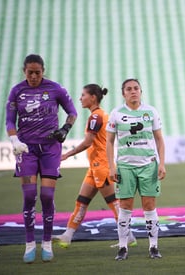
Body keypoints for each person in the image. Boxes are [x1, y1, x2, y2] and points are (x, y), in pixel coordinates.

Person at [5, 54, 77, 263]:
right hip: (26, 149)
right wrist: (14, 140)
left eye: (38, 72)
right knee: (28, 196)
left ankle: (46, 243)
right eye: (30, 72)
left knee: (46, 196)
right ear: (24, 71)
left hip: (50, 149)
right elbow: (9, 120)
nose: (34, 76)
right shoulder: (17, 91)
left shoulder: (56, 88)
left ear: (43, 71)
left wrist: (65, 128)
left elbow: (72, 112)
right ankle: (29, 244)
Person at [52, 84, 136, 248]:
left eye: (83, 95)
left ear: (93, 97)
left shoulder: (96, 117)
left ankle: (128, 237)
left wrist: (67, 155)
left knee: (114, 204)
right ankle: (67, 236)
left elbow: (88, 142)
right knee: (81, 202)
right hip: (95, 167)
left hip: (102, 166)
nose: (80, 98)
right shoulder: (98, 116)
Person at [106, 78, 166, 260]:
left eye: (136, 88)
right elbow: (109, 141)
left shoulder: (150, 111)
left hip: (148, 165)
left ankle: (153, 247)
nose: (133, 91)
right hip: (125, 167)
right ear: (123, 93)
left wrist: (162, 163)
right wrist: (112, 166)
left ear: (141, 91)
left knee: (149, 206)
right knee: (125, 207)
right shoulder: (116, 113)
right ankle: (123, 248)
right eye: (129, 89)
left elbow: (159, 140)